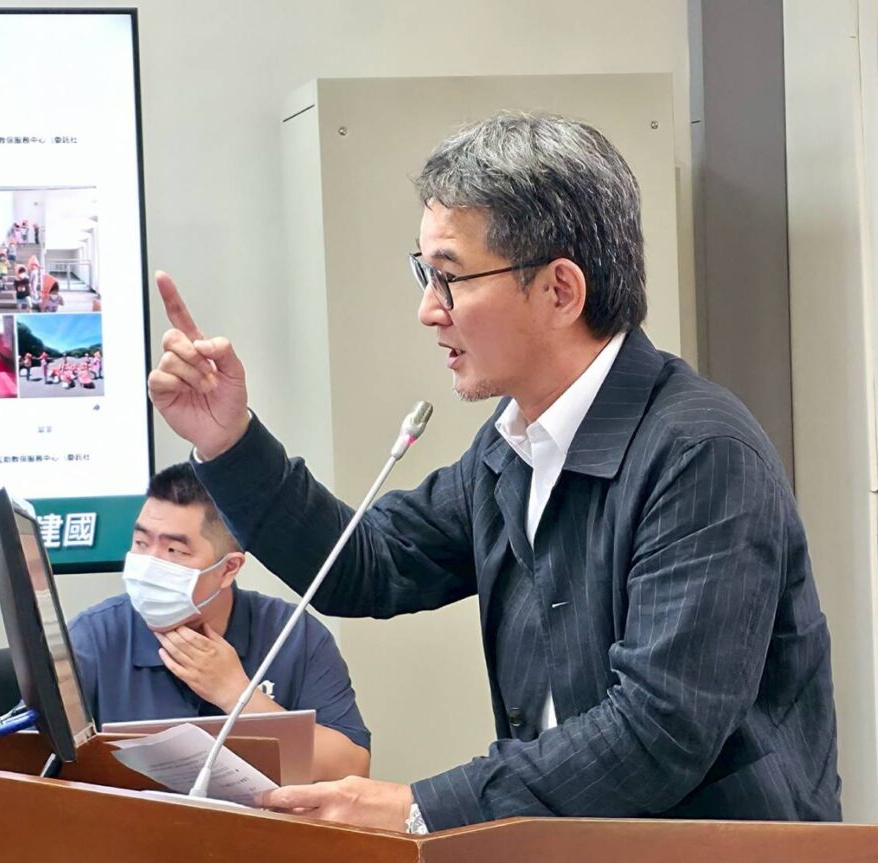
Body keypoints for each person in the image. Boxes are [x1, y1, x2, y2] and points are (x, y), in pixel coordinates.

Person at [147, 111, 841, 831]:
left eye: (449, 278)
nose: (428, 310)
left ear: (560, 290)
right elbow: (366, 564)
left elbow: (659, 729)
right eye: (425, 275)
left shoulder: (700, 453)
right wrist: (228, 440)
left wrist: (417, 806)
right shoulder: (511, 445)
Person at [66, 462, 371, 782]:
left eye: (174, 550)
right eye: (141, 543)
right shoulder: (92, 638)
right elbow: (41, 766)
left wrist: (234, 693)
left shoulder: (294, 636)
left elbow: (351, 768)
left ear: (228, 569)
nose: (150, 564)